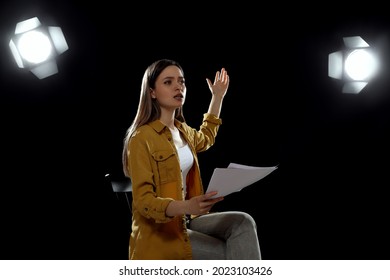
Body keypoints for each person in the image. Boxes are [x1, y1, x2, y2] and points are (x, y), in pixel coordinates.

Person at [122, 58, 261, 260]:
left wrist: (217, 97)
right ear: (152, 92)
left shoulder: (182, 130)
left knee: (243, 223)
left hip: (187, 221)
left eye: (182, 81)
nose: (178, 86)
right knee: (233, 251)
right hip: (159, 234)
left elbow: (206, 137)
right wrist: (188, 206)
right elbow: (144, 202)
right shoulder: (141, 138)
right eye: (168, 82)